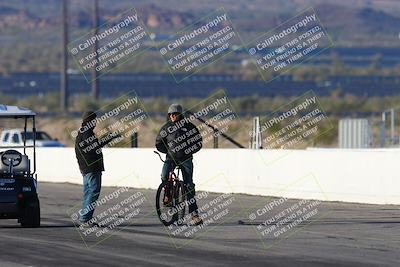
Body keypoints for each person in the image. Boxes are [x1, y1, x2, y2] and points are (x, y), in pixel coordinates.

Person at [155, 104, 203, 226]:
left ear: (180, 114)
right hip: (170, 158)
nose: (172, 116)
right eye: (170, 114)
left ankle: (194, 215)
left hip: (186, 159)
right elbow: (159, 142)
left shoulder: (189, 127)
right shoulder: (166, 128)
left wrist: (189, 151)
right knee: (164, 176)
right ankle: (167, 195)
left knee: (189, 186)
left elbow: (198, 142)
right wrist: (168, 152)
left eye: (174, 114)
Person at [75, 111, 119, 226]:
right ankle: (85, 219)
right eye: (94, 120)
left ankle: (84, 217)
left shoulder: (82, 133)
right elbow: (96, 145)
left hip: (86, 168)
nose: (95, 123)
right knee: (93, 192)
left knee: (88, 193)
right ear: (89, 121)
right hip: (92, 167)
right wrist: (110, 137)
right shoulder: (87, 133)